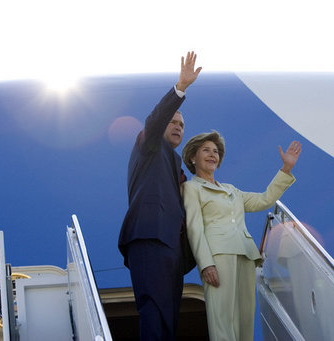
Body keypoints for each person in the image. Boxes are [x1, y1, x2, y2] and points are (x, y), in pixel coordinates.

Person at [181, 131, 301, 341]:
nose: (212, 155)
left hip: (245, 254)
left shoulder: (231, 190)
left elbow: (264, 199)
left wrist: (286, 169)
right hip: (218, 256)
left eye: (216, 152)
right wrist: (206, 264)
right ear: (193, 157)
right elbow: (194, 227)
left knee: (245, 317)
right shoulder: (191, 188)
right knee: (222, 318)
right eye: (206, 150)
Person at [118, 51, 202, 341]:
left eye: (182, 125)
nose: (178, 126)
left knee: (169, 317)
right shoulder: (149, 145)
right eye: (173, 122)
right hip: (149, 238)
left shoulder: (175, 164)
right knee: (154, 311)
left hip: (173, 250)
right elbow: (155, 120)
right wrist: (180, 88)